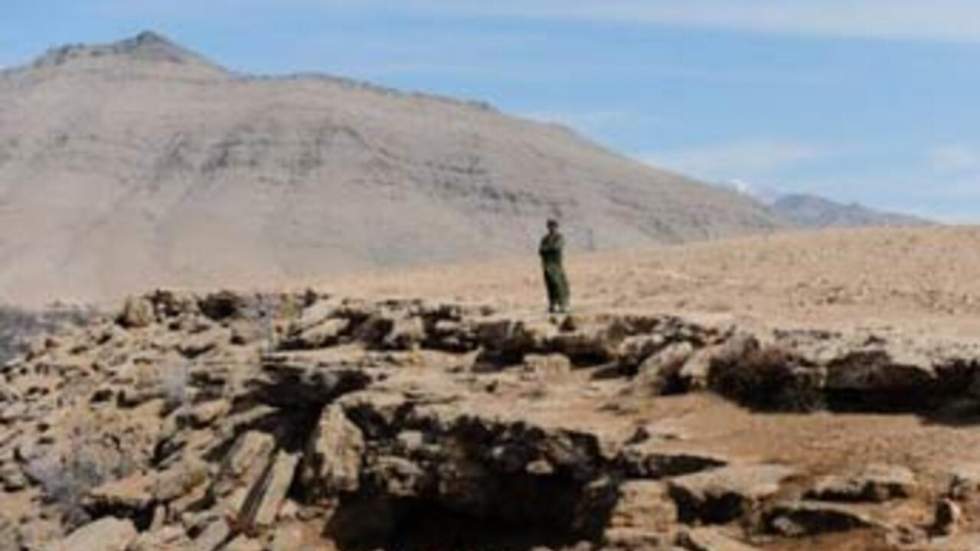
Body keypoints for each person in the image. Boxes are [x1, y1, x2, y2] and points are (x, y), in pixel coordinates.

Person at [539, 219, 570, 313]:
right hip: (547, 265)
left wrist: (547, 249)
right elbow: (541, 250)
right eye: (550, 226)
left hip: (556, 265)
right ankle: (552, 304)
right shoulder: (545, 239)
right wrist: (548, 249)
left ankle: (563, 304)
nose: (551, 228)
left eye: (553, 226)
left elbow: (556, 247)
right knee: (550, 285)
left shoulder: (559, 237)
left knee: (559, 285)